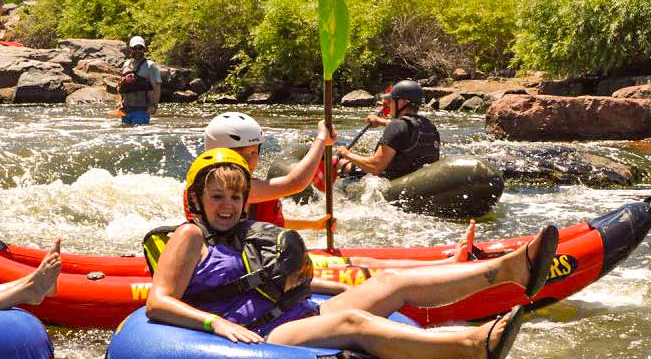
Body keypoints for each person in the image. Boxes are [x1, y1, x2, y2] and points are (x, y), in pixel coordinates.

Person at [145, 150, 558, 359]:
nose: (228, 206)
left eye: (236, 198)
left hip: (292, 311)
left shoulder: (244, 232)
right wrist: (216, 324)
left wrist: (336, 288)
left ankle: (510, 269)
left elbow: (271, 281)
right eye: (217, 197)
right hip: (261, 334)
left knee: (391, 281)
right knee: (354, 324)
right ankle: (472, 346)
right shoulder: (189, 236)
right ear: (197, 199)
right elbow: (158, 302)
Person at [200, 112, 475, 266]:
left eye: (254, 153)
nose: (251, 160)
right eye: (243, 154)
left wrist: (314, 224)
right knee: (360, 266)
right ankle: (444, 266)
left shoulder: (243, 186)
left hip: (259, 257)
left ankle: (444, 263)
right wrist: (321, 140)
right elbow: (295, 183)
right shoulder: (224, 186)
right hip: (247, 265)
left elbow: (265, 222)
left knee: (362, 261)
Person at [335, 80, 440, 179]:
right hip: (416, 180)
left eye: (391, 101)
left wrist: (347, 154)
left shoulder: (396, 126)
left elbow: (375, 167)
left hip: (389, 181)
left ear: (402, 103)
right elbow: (405, 130)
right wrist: (381, 121)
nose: (389, 104)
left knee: (339, 162)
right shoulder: (430, 126)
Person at [117, 35, 161, 126]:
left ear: (144, 49)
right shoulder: (126, 64)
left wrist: (154, 106)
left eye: (140, 48)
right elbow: (120, 86)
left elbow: (157, 87)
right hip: (125, 110)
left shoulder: (150, 66)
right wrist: (119, 101)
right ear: (130, 49)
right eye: (134, 48)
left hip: (141, 110)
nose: (137, 51)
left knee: (138, 133)